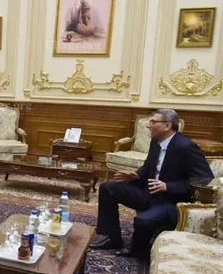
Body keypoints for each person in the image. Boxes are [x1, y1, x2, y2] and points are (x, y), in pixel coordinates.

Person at [90, 109, 213, 258]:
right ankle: (113, 238)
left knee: (143, 221)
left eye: (153, 122)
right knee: (107, 188)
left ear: (167, 126)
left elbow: (205, 180)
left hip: (170, 201)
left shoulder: (186, 147)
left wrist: (168, 186)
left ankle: (138, 251)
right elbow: (148, 166)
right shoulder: (156, 141)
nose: (148, 125)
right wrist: (135, 176)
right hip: (148, 193)